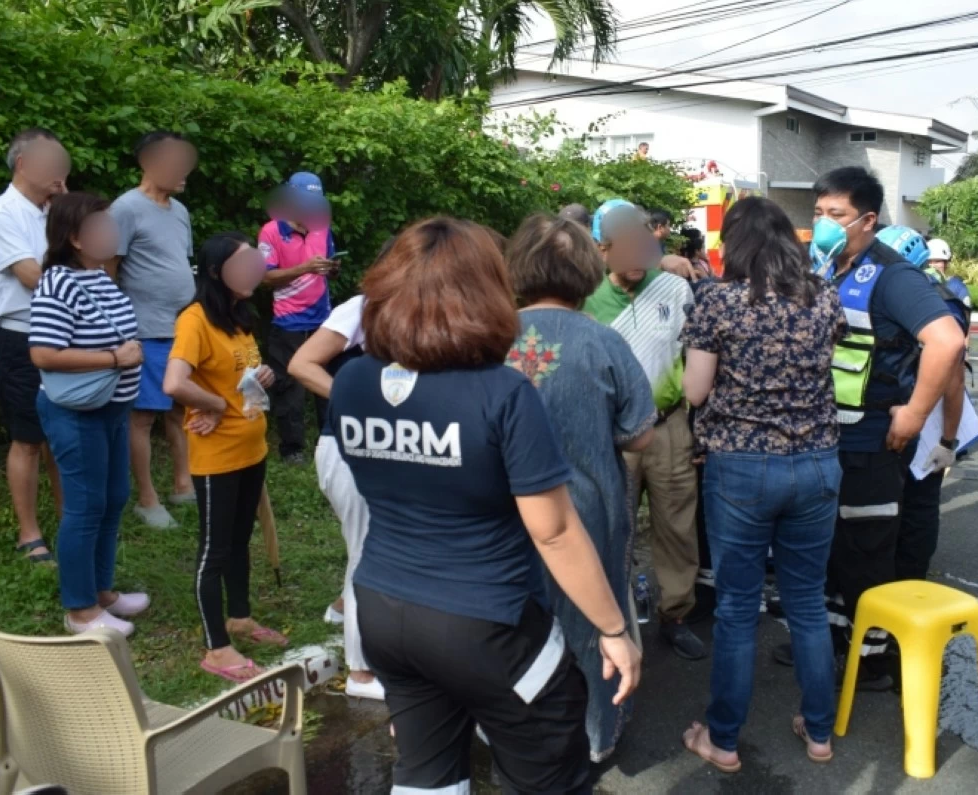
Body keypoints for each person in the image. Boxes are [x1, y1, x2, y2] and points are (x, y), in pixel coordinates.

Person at [329, 217, 641, 793]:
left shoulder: (351, 381)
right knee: (550, 773)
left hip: (384, 611)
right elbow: (553, 531)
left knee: (426, 776)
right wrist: (613, 629)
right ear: (487, 291)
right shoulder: (502, 393)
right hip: (488, 621)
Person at [679, 198, 846, 770]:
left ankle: (722, 741)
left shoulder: (718, 301)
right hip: (818, 461)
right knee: (806, 603)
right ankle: (820, 733)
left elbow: (697, 391)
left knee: (736, 608)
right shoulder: (822, 295)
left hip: (743, 466)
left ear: (738, 243)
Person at [784, 168, 965, 688]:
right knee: (830, 552)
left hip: (868, 445)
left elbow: (948, 343)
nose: (823, 223)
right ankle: (832, 644)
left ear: (867, 220)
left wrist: (913, 413)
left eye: (835, 215)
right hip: (825, 441)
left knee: (865, 554)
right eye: (818, 213)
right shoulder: (827, 269)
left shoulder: (892, 276)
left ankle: (873, 661)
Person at [505, 213, 656, 762]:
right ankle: (595, 734)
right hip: (588, 507)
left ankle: (515, 730)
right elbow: (638, 435)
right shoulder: (604, 340)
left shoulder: (489, 335)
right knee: (596, 619)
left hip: (506, 509)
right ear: (589, 271)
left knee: (517, 617)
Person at [585, 199, 706, 661]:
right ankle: (608, 617)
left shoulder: (675, 289)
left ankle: (674, 614)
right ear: (601, 249)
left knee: (676, 525)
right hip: (608, 434)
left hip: (668, 427)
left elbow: (700, 355)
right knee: (609, 526)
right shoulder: (585, 295)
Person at [163, 232, 286, 682]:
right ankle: (217, 648)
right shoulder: (194, 320)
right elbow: (174, 383)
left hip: (251, 447)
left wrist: (262, 377)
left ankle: (240, 618)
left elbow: (239, 377)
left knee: (239, 541)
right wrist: (214, 406)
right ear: (217, 272)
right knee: (214, 550)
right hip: (216, 456)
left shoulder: (239, 316)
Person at [29, 192, 149, 635]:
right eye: (101, 226)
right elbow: (42, 353)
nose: (112, 233)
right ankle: (80, 610)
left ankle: (102, 592)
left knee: (114, 497)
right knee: (84, 506)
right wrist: (113, 360)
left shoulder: (99, 277)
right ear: (76, 238)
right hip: (77, 413)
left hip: (111, 409)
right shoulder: (59, 281)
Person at [286, 239, 399, 702]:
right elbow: (301, 362)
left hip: (390, 448)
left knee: (372, 546)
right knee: (367, 556)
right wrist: (353, 402)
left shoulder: (422, 311)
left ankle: (345, 613)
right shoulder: (362, 308)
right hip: (350, 447)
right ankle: (362, 673)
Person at [0, 128, 69, 563]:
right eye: (52, 162)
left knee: (62, 434)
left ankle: (70, 519)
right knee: (29, 438)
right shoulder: (1, 214)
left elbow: (91, 258)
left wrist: (68, 214)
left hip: (65, 334)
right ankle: (29, 534)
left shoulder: (53, 211)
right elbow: (32, 276)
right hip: (22, 336)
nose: (60, 171)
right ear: (23, 164)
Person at [109, 130, 199, 528]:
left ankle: (184, 485)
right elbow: (108, 270)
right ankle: (147, 499)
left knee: (180, 409)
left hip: (181, 328)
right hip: (143, 329)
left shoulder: (179, 211)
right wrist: (118, 329)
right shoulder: (124, 209)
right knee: (142, 416)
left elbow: (181, 263)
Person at [876, 226, 970, 582]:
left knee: (906, 511)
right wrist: (947, 441)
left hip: (907, 421)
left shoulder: (928, 302)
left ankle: (900, 587)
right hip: (911, 422)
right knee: (915, 510)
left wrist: (947, 441)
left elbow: (953, 378)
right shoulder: (943, 296)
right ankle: (905, 585)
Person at [259, 172, 338, 464]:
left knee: (325, 382)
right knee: (290, 386)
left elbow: (327, 261)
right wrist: (304, 268)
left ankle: (329, 440)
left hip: (322, 318)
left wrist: (331, 268)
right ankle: (292, 449)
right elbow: (265, 277)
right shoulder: (271, 231)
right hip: (288, 319)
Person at [926, 238, 973, 314]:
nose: (932, 266)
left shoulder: (957, 286)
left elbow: (965, 315)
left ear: (946, 263)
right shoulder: (918, 284)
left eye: (937, 261)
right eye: (929, 262)